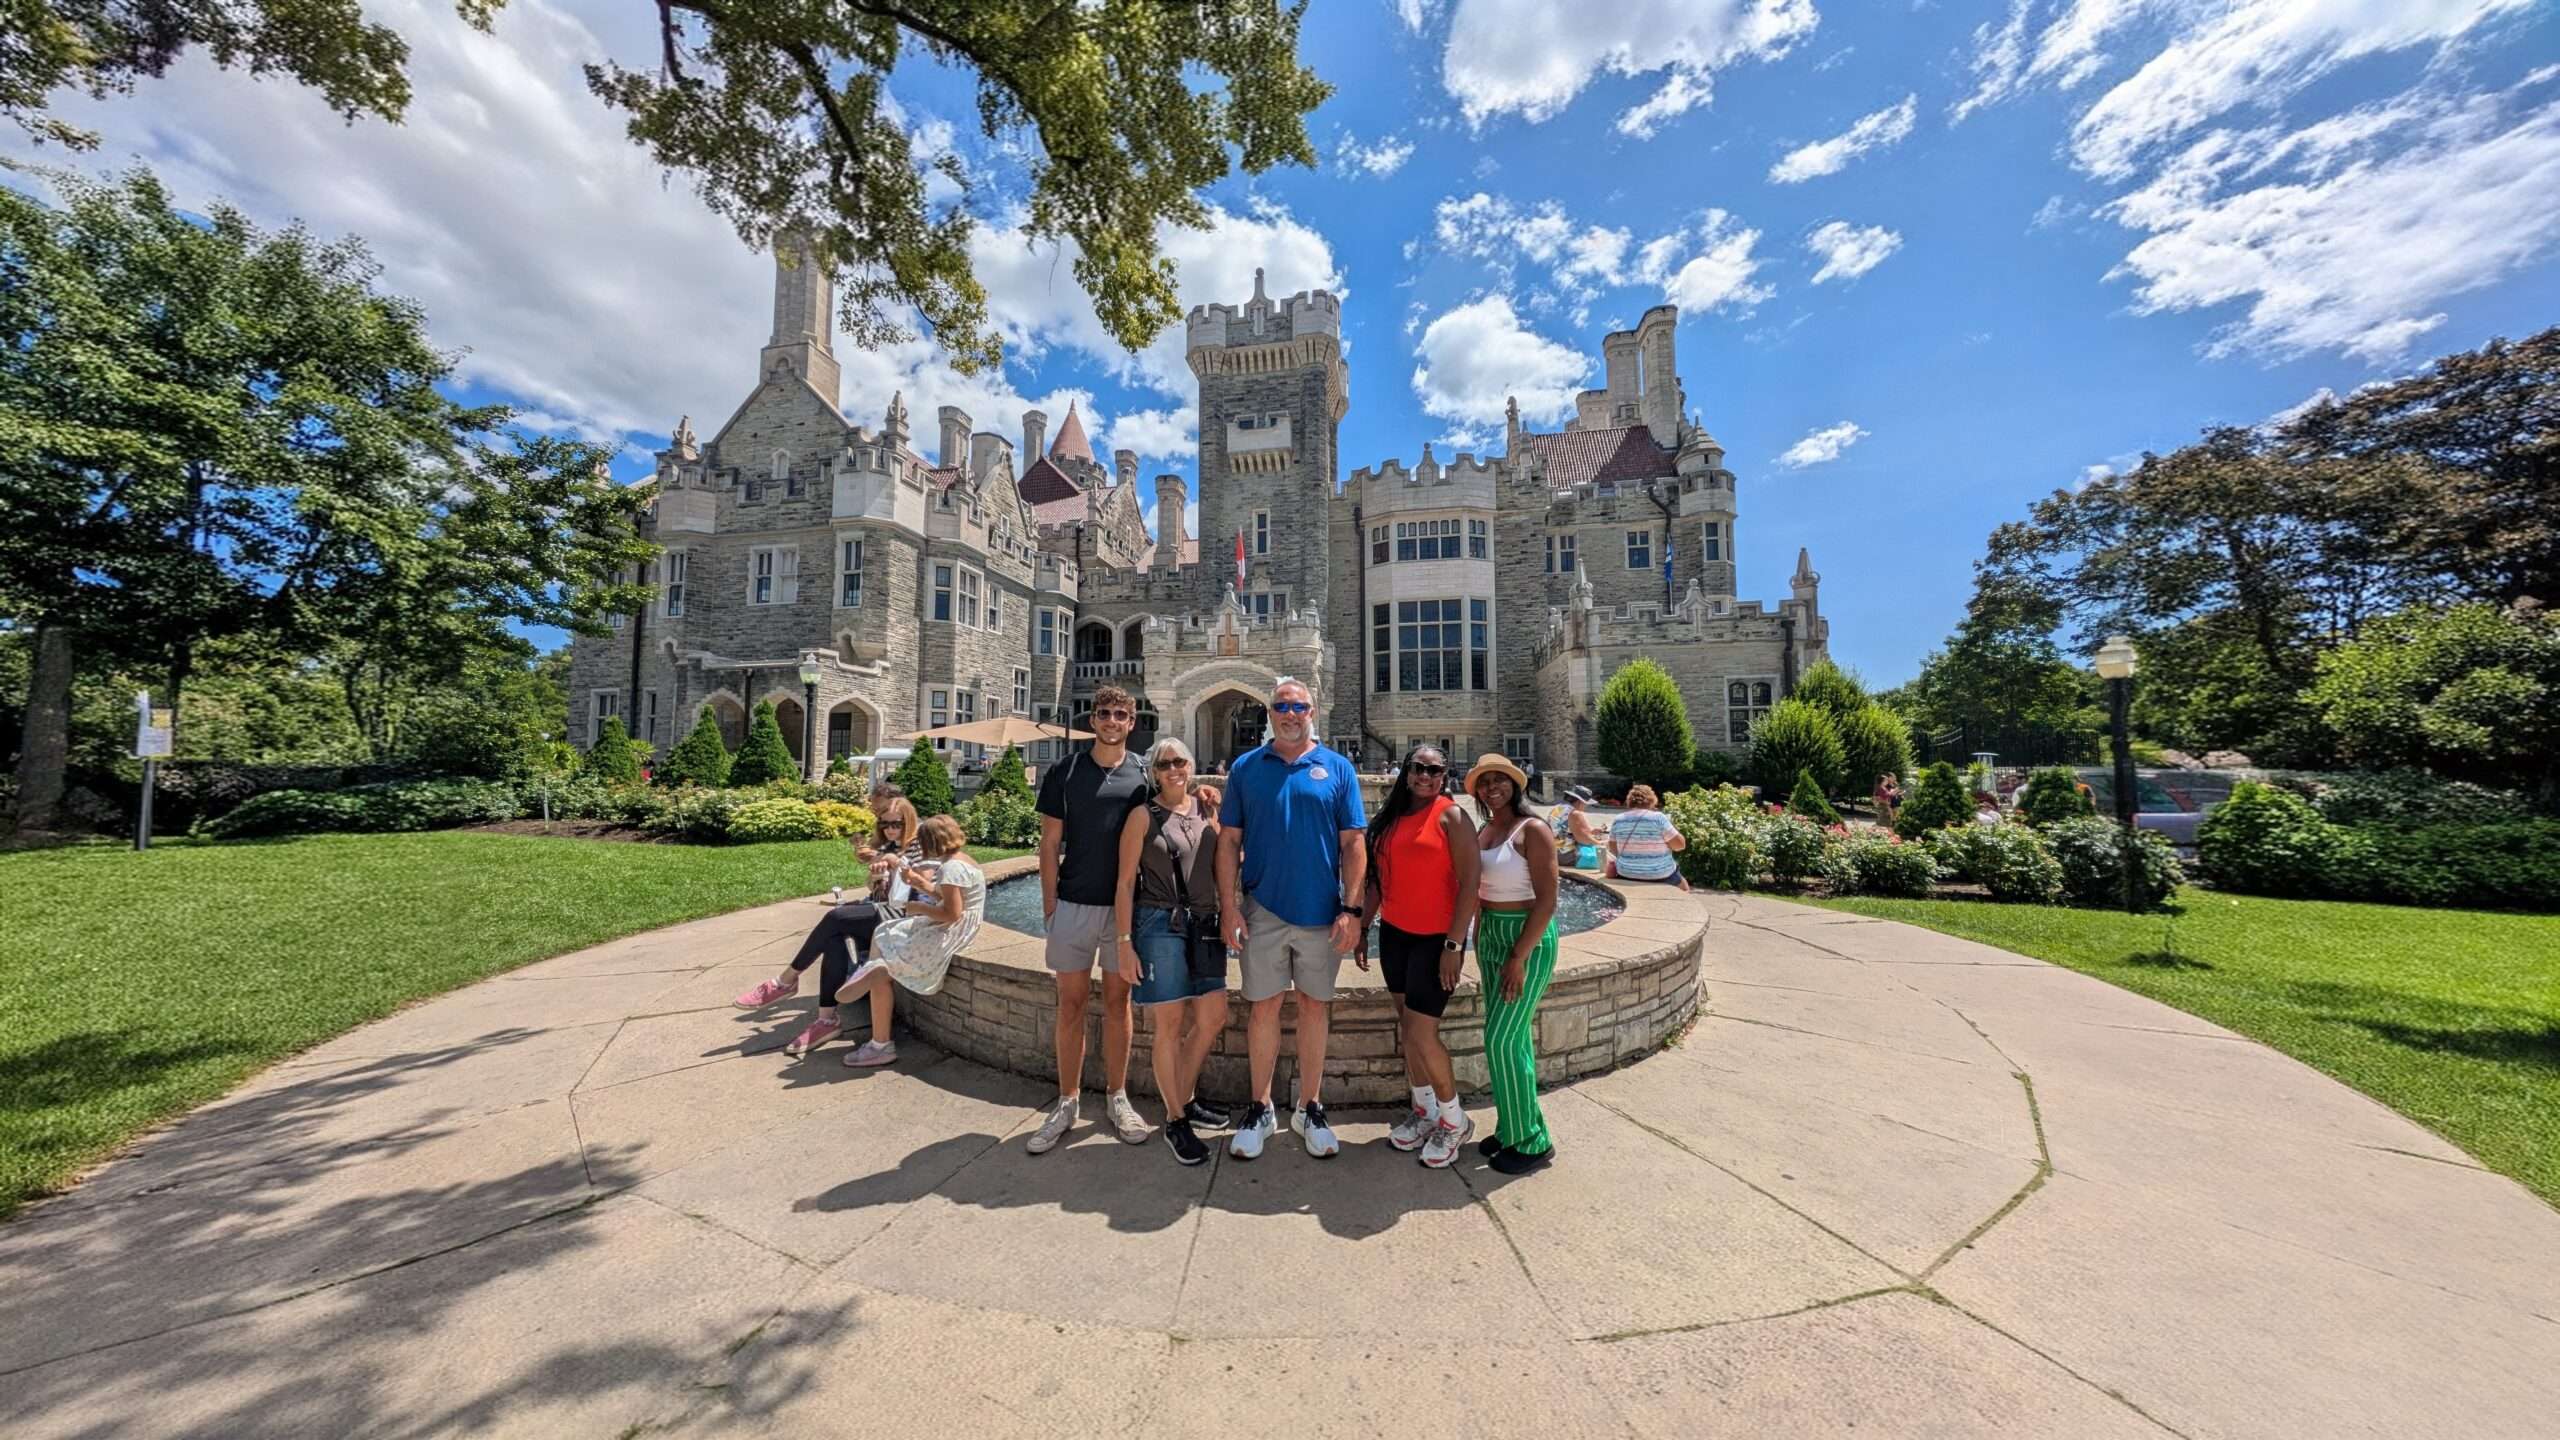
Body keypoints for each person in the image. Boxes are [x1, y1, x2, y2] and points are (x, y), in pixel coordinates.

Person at [1216, 675, 1367, 1160]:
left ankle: (1310, 1106)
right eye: (1281, 705)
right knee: (1262, 1007)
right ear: (1270, 714)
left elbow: (1353, 845)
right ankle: (1260, 1107)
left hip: (1322, 914)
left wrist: (1352, 909)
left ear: (1312, 712)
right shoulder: (1245, 768)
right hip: (1262, 910)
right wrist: (1228, 905)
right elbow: (1229, 842)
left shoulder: (1337, 769)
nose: (1289, 713)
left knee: (1313, 1007)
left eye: (1298, 706)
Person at [1026, 685, 1152, 1154]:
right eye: (1104, 713)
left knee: (1119, 1004)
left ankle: (1117, 1097)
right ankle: (1067, 1100)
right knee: (1072, 1005)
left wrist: (1202, 791)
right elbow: (1049, 844)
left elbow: (1168, 813)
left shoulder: (1142, 774)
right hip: (1074, 904)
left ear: (1132, 722)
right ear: (1092, 719)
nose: (1112, 721)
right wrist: (1049, 904)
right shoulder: (1067, 769)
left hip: (1124, 910)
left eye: (1121, 714)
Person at [1112, 737, 1234, 1166]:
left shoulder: (1206, 808)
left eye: (1180, 761)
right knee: (1170, 1023)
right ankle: (1176, 1119)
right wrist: (1124, 943)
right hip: (1159, 923)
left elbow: (1224, 863)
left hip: (1206, 923)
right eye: (1164, 763)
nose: (1173, 769)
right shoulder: (1142, 817)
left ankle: (1185, 1094)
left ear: (1191, 764)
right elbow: (1125, 883)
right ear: (1153, 771)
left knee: (1213, 1015)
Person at [1361, 745, 1481, 1168]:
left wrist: (1454, 944)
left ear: (1444, 775)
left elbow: (1471, 883)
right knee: (1408, 1030)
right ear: (1406, 771)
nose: (1426, 776)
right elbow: (1377, 880)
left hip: (1436, 940)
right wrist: (1362, 927)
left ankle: (1454, 1120)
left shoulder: (1452, 816)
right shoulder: (1392, 819)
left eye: (1435, 770)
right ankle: (1425, 1110)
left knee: (1421, 1034)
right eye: (1418, 768)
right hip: (1395, 935)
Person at [729, 779, 925, 1037]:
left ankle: (785, 981)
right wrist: (876, 874)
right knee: (834, 939)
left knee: (835, 918)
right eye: (883, 822)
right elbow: (874, 886)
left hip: (902, 917)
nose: (887, 826)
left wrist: (894, 862)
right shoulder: (889, 844)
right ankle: (826, 1019)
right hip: (882, 909)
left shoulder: (919, 841)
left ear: (905, 815)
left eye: (894, 823)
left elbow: (922, 879)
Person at [824, 816, 984, 1067]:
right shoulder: (963, 861)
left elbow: (951, 913)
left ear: (930, 843)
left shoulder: (951, 869)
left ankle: (880, 1043)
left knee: (888, 940)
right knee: (886, 931)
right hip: (956, 922)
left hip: (953, 929)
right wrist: (920, 883)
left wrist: (916, 906)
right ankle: (873, 970)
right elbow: (947, 896)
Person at [1466, 754, 1561, 1175]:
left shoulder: (1533, 829)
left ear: (1515, 784)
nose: (1492, 788)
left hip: (1527, 937)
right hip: (1492, 936)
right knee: (1514, 1038)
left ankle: (1532, 1141)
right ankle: (1513, 1127)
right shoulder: (1487, 829)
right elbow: (1480, 889)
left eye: (1500, 780)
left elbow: (1548, 900)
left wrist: (1519, 956)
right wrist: (1477, 934)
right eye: (1484, 782)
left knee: (1501, 1040)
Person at [1603, 784, 1689, 889]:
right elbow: (1680, 845)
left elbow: (1613, 849)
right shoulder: (1658, 818)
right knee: (1684, 889)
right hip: (1660, 873)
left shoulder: (1619, 819)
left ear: (1629, 801)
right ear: (1652, 800)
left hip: (1626, 872)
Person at [1552, 786, 1601, 868]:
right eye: (1585, 804)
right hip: (1565, 855)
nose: (1585, 806)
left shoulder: (1557, 808)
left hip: (1552, 851)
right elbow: (1583, 839)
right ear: (1580, 802)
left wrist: (1590, 831)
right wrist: (1602, 844)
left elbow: (1567, 829)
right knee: (1604, 855)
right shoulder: (1575, 813)